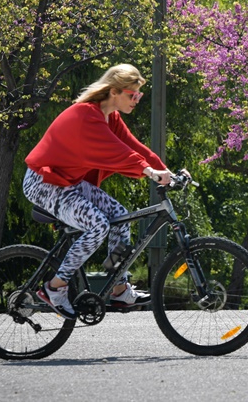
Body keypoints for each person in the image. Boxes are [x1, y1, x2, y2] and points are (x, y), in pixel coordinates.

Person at [23, 63, 174, 319]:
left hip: (68, 181)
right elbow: (118, 152)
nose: (136, 100)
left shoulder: (110, 117)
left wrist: (167, 171)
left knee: (120, 214)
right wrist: (149, 173)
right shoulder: (86, 115)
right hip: (44, 182)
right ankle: (54, 288)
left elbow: (136, 148)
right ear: (114, 91)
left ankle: (118, 288)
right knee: (98, 225)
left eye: (139, 95)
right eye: (132, 94)